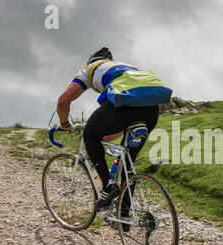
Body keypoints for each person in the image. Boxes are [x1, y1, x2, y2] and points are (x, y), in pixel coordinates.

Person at [56, 47, 164, 208]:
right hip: (152, 108)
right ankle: (125, 217)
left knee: (89, 136)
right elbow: (109, 134)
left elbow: (63, 101)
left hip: (125, 102)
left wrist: (65, 124)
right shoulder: (124, 66)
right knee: (128, 163)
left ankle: (108, 187)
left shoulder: (89, 69)